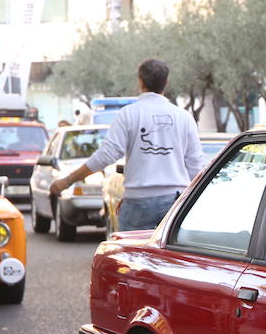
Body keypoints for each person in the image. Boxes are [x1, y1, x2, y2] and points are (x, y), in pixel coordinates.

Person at [50, 59, 204, 230]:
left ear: (140, 81)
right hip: (176, 204)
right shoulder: (184, 117)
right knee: (171, 257)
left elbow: (106, 155)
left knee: (133, 255)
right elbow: (195, 165)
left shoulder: (128, 114)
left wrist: (68, 180)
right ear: (166, 83)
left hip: (138, 203)